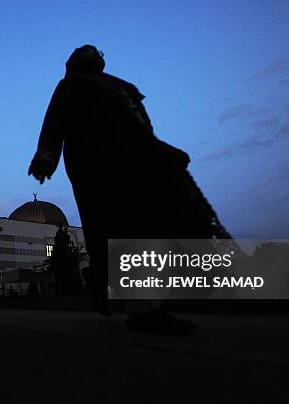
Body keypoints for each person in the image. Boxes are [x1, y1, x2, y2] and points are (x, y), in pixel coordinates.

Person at [28, 45, 230, 335]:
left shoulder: (119, 87)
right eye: (86, 54)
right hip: (98, 167)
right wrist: (46, 157)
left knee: (144, 229)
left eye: (95, 53)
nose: (93, 56)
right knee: (121, 232)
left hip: (135, 165)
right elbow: (55, 122)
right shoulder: (70, 87)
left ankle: (138, 299)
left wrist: (158, 151)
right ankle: (142, 308)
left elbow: (140, 126)